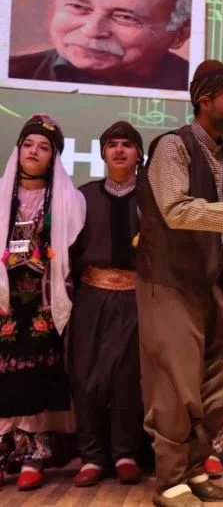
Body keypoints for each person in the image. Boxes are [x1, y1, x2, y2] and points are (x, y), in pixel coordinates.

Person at [135, 60, 223, 507]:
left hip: (211, 286)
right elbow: (177, 211)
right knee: (174, 382)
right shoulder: (172, 147)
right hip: (169, 281)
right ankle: (171, 479)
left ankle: (196, 465)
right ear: (205, 101)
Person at [0, 114, 86, 491]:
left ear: (54, 157)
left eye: (44, 147)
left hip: (44, 302)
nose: (34, 152)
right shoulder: (0, 193)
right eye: (28, 144)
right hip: (3, 299)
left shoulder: (70, 199)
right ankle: (5, 450)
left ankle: (35, 451)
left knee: (38, 373)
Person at [68, 121, 144, 487]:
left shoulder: (152, 198)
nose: (118, 150)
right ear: (101, 153)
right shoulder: (82, 197)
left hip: (138, 299)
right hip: (91, 298)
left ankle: (126, 453)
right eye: (111, 144)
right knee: (87, 376)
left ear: (138, 154)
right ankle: (92, 457)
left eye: (127, 145)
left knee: (129, 377)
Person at [9, 0, 191, 90]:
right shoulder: (10, 74)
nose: (92, 31)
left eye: (126, 17)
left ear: (180, 34)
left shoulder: (197, 90)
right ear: (53, 6)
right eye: (78, 7)